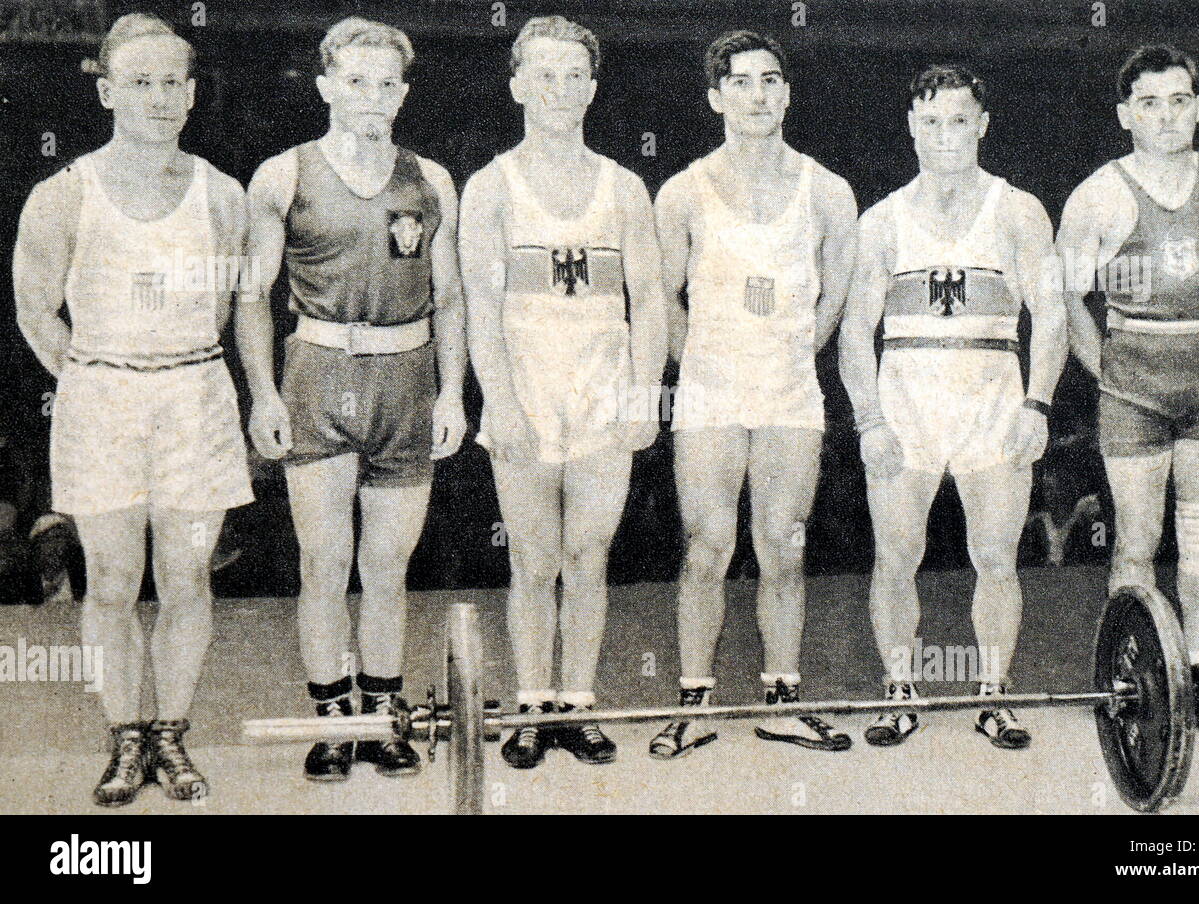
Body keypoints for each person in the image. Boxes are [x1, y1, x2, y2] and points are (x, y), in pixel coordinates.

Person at [12, 12, 254, 804]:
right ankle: (123, 741)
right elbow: (35, 312)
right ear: (110, 91)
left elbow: (225, 307)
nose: (159, 98)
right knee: (111, 581)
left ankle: (172, 738)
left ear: (191, 93)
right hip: (103, 404)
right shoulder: (63, 194)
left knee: (186, 579)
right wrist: (98, 375)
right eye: (141, 83)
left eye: (172, 83)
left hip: (194, 397)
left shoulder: (222, 194)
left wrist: (170, 370)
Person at [242, 17, 467, 780]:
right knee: (323, 560)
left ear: (402, 93)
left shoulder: (431, 179)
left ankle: (382, 716)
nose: (372, 95)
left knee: (387, 564)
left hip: (406, 380)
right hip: (318, 375)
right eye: (356, 80)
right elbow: (249, 298)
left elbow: (454, 297)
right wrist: (264, 394)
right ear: (326, 86)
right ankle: (332, 719)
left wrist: (453, 395)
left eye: (386, 83)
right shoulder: (282, 175)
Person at [461, 15, 666, 769]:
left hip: (602, 394)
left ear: (592, 88)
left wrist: (644, 392)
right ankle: (529, 704)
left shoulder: (624, 186)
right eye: (542, 74)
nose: (558, 89)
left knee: (588, 553)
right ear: (517, 85)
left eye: (573, 75)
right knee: (534, 559)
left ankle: (576, 706)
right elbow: (480, 307)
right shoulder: (491, 186)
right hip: (527, 391)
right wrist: (501, 401)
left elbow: (648, 299)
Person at [839, 65, 1066, 749]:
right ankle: (900, 690)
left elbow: (1051, 316)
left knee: (996, 555)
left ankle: (993, 694)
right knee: (896, 553)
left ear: (982, 124)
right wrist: (870, 420)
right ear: (912, 125)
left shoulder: (1018, 209)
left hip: (992, 399)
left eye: (959, 120)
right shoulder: (881, 220)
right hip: (907, 402)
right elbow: (854, 330)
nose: (945, 134)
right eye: (931, 121)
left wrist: (1038, 405)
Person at [649, 30, 858, 759]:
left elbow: (837, 290)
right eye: (740, 82)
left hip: (790, 395)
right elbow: (662, 298)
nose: (758, 94)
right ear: (716, 96)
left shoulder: (828, 190)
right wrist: (701, 364)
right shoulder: (681, 191)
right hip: (709, 394)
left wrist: (799, 348)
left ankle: (783, 699)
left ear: (787, 92)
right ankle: (693, 701)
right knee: (707, 546)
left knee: (784, 547)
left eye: (770, 80)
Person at [1057, 45, 1199, 739]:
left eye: (1179, 100)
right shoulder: (1096, 195)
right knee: (1137, 538)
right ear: (1125, 114)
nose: (1166, 115)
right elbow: (1066, 303)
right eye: (1149, 103)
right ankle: (1133, 673)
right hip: (1133, 389)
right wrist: (1110, 374)